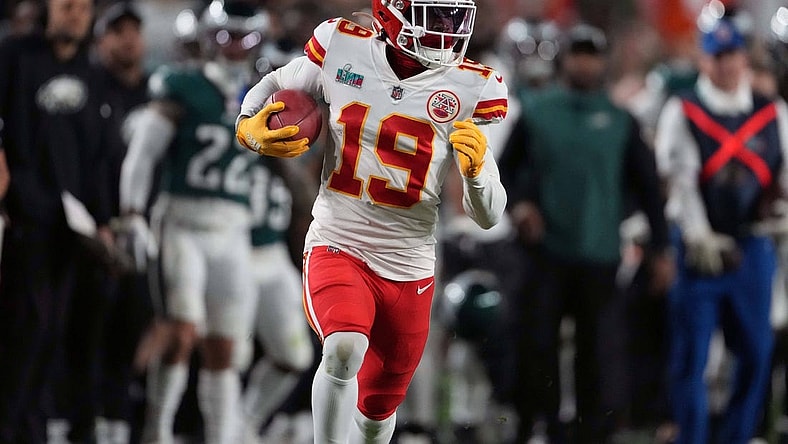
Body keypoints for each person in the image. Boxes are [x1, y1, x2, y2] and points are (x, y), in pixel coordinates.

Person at [235, 0, 509, 441]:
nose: (446, 28)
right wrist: (247, 122)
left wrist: (477, 175)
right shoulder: (342, 46)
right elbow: (277, 81)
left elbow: (489, 214)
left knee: (378, 411)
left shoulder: (472, 86)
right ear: (392, 11)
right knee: (344, 347)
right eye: (433, 15)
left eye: (452, 16)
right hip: (339, 239)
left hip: (410, 263)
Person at [499, 23, 675, 444]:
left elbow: (649, 188)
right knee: (537, 344)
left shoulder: (620, 120)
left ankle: (594, 433)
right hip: (545, 250)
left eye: (591, 54)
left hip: (598, 249)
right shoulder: (539, 111)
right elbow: (503, 171)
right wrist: (521, 205)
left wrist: (662, 248)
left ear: (602, 60)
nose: (584, 62)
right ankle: (539, 427)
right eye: (577, 53)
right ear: (566, 59)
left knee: (597, 352)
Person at [118, 1, 266, 443]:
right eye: (226, 34)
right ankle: (157, 431)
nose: (235, 46)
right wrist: (131, 212)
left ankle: (220, 436)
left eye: (244, 36)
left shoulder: (269, 91)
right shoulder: (183, 85)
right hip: (182, 219)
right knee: (182, 332)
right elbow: (142, 154)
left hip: (234, 228)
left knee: (226, 345)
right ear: (208, 34)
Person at [654, 15, 788, 444]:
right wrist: (697, 235)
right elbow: (680, 180)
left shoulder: (774, 113)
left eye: (732, 55)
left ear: (744, 57)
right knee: (692, 358)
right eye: (717, 56)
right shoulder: (684, 109)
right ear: (704, 59)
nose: (726, 65)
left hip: (753, 245)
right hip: (701, 249)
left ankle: (737, 434)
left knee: (756, 351)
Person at [0, 0, 115, 441]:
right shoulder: (14, 56)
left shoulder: (91, 75)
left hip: (70, 229)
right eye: (67, 4)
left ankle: (32, 423)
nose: (76, 13)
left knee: (53, 330)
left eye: (83, 8)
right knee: (24, 326)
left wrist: (102, 219)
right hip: (22, 219)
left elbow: (98, 159)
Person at [240, 156, 318, 442]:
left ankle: (247, 422)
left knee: (294, 355)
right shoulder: (232, 142)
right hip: (230, 250)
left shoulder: (281, 162)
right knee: (230, 355)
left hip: (273, 259)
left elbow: (306, 200)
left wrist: (281, 160)